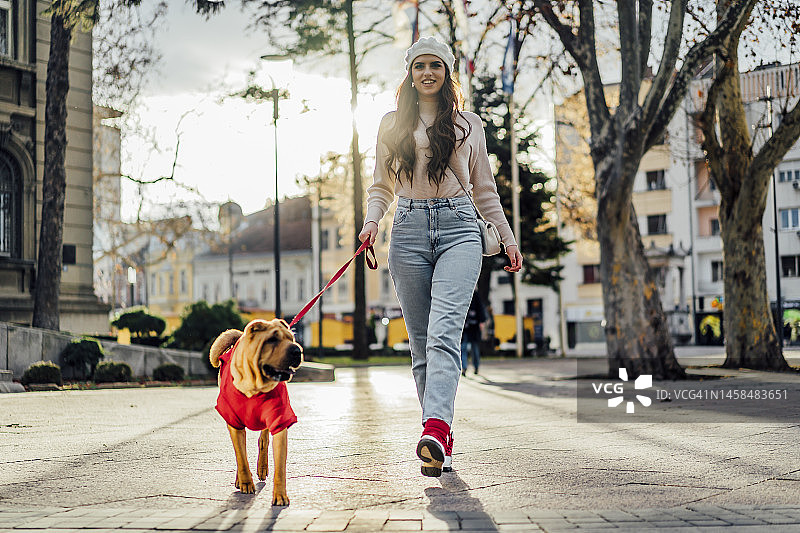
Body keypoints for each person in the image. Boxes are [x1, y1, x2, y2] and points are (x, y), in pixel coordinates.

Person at [358, 36, 522, 477]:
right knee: (419, 344)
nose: (426, 72)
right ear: (409, 74)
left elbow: (484, 189)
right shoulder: (391, 124)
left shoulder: (468, 123)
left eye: (435, 65)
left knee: (444, 333)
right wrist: (372, 222)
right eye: (418, 66)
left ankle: (434, 426)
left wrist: (508, 238)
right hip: (407, 231)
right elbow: (381, 186)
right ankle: (439, 439)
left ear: (447, 72)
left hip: (459, 230)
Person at [461, 291, 487, 376]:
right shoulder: (462, 293)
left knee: (474, 348)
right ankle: (464, 367)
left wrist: (481, 322)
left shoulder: (475, 295)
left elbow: (480, 309)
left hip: (474, 327)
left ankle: (476, 366)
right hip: (464, 327)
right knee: (463, 348)